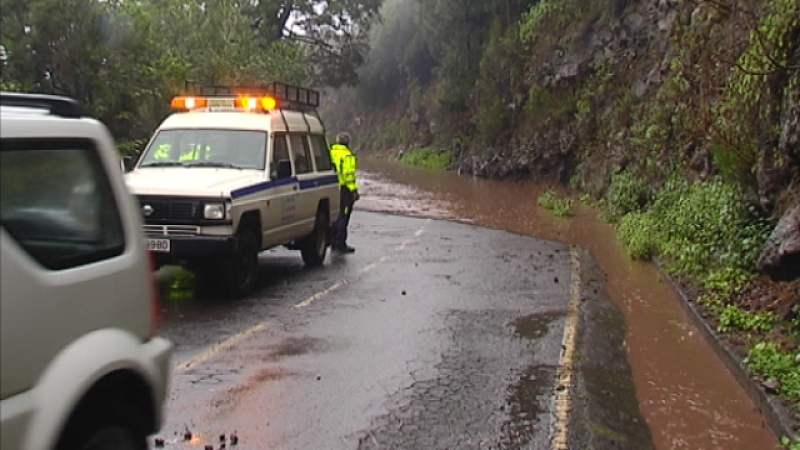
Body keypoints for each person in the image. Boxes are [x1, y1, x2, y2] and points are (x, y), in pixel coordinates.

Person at [329, 132, 359, 253]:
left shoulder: (329, 151)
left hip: (331, 188)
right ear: (348, 143)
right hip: (344, 190)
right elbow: (348, 176)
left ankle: (333, 242)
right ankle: (340, 243)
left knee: (334, 215)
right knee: (344, 215)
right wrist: (354, 190)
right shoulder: (347, 156)